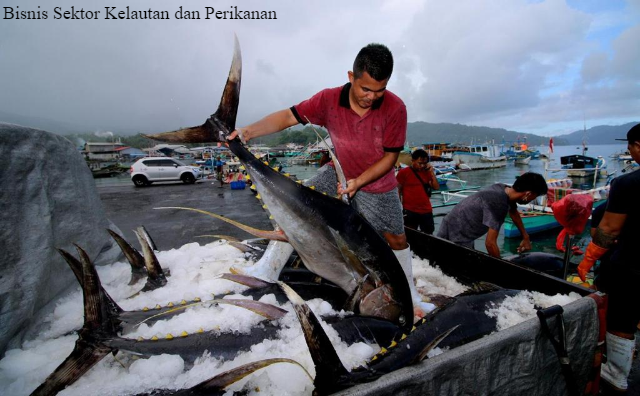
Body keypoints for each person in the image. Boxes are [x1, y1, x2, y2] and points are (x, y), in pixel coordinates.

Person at [228, 43, 431, 317]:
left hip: (376, 183)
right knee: (295, 206)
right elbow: (289, 116)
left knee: (396, 238)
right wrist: (248, 132)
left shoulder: (395, 108)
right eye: (365, 89)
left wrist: (359, 182)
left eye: (379, 90)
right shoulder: (328, 100)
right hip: (337, 172)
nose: (372, 97)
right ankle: (268, 268)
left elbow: (389, 158)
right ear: (351, 76)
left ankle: (410, 294)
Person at [576, 123, 640, 393]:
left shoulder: (628, 183)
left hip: (633, 266)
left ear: (637, 146)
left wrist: (587, 261)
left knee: (621, 321)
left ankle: (615, 375)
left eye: (630, 147)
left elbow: (609, 230)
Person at [437, 172, 548, 257]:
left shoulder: (503, 189)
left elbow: (513, 211)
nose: (534, 199)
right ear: (528, 194)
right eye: (535, 196)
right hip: (457, 235)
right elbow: (490, 243)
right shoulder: (499, 203)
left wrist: (525, 236)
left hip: (453, 224)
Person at [396, 149, 439, 234]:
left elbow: (436, 187)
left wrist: (431, 172)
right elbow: (398, 190)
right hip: (410, 210)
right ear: (413, 161)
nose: (422, 166)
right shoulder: (404, 172)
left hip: (426, 210)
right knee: (410, 235)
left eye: (424, 163)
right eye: (420, 163)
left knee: (429, 234)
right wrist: (399, 208)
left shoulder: (427, 172)